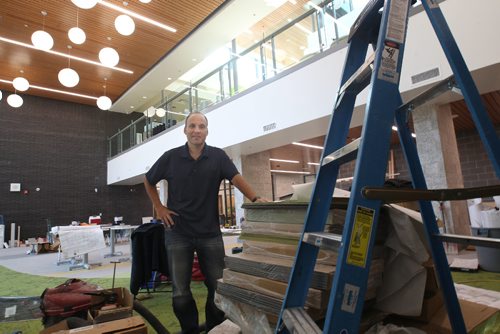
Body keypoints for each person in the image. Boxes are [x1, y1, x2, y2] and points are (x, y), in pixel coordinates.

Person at [144, 112, 266, 333]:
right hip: (177, 232)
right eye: (192, 126)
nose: (196, 130)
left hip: (209, 233)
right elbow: (148, 180)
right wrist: (160, 208)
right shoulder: (170, 157)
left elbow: (237, 179)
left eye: (201, 126)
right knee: (180, 293)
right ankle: (189, 330)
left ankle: (212, 327)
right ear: (185, 130)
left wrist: (256, 198)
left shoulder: (218, 157)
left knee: (218, 287)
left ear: (207, 131)